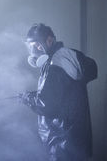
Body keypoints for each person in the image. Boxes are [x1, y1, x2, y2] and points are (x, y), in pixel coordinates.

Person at [20, 23, 97, 161]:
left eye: (37, 45)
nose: (35, 50)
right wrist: (35, 95)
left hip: (61, 143)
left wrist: (28, 99)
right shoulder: (67, 58)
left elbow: (47, 106)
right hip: (74, 140)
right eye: (31, 46)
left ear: (49, 41)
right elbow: (60, 94)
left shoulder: (54, 64)